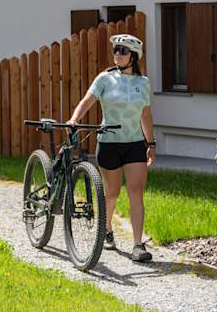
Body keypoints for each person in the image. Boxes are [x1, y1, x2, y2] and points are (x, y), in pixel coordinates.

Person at [66, 33, 155, 263]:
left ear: (133, 56)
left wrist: (151, 142)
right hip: (109, 143)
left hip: (134, 144)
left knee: (136, 192)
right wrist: (74, 119)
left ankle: (138, 245)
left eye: (123, 50)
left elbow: (145, 114)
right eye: (116, 49)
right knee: (112, 192)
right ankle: (106, 229)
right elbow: (87, 101)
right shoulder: (105, 79)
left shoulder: (143, 83)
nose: (117, 54)